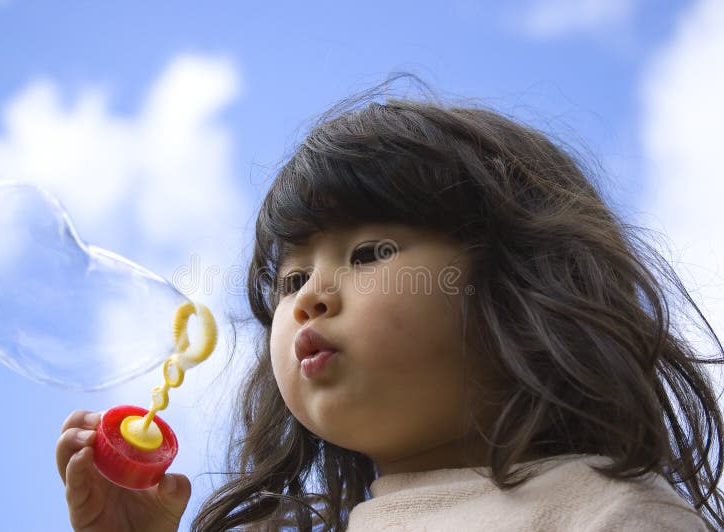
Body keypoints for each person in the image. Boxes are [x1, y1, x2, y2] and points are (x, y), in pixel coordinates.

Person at [56, 86, 724, 531]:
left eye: (371, 252)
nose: (309, 298)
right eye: (289, 283)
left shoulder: (607, 513)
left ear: (522, 286)